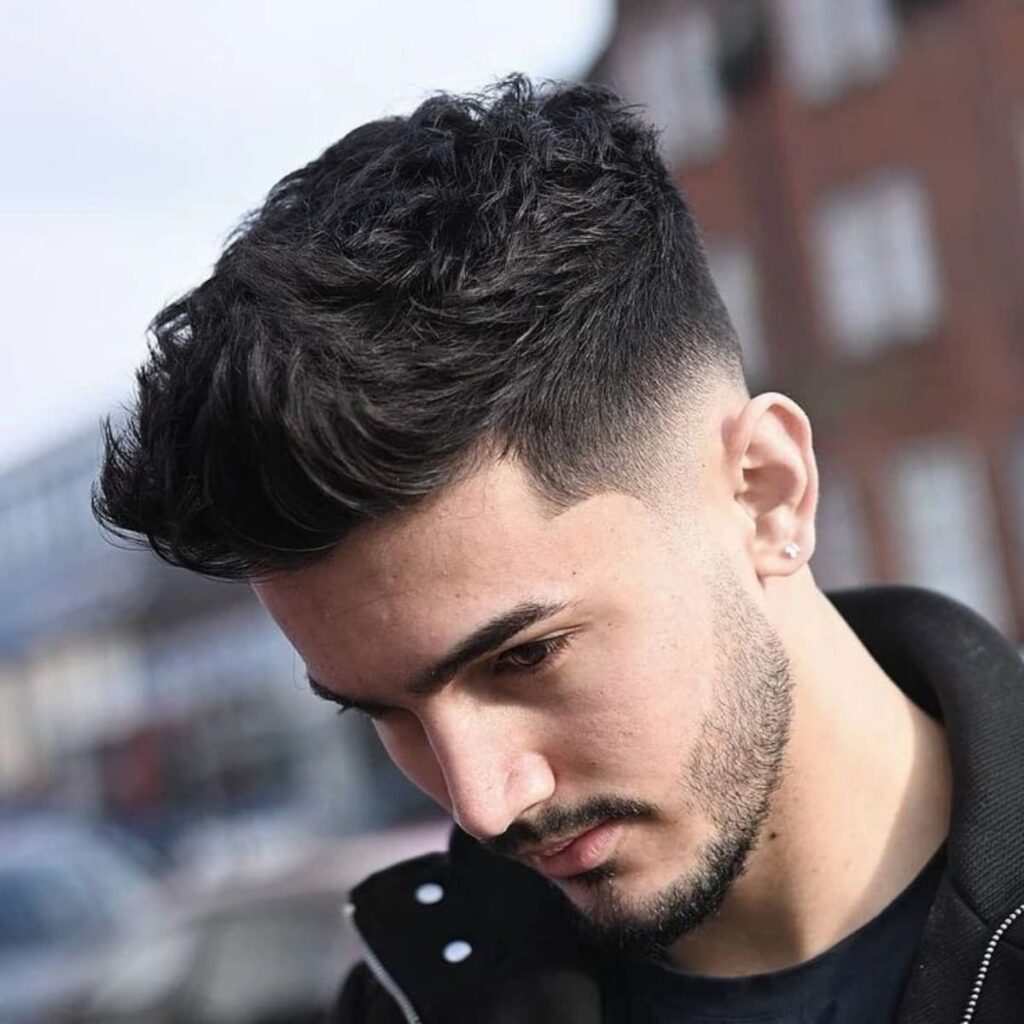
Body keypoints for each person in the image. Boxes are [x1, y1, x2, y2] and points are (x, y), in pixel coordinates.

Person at [93, 76, 1024, 1023]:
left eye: (526, 656)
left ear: (765, 493)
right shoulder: (411, 1006)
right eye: (386, 714)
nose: (484, 804)